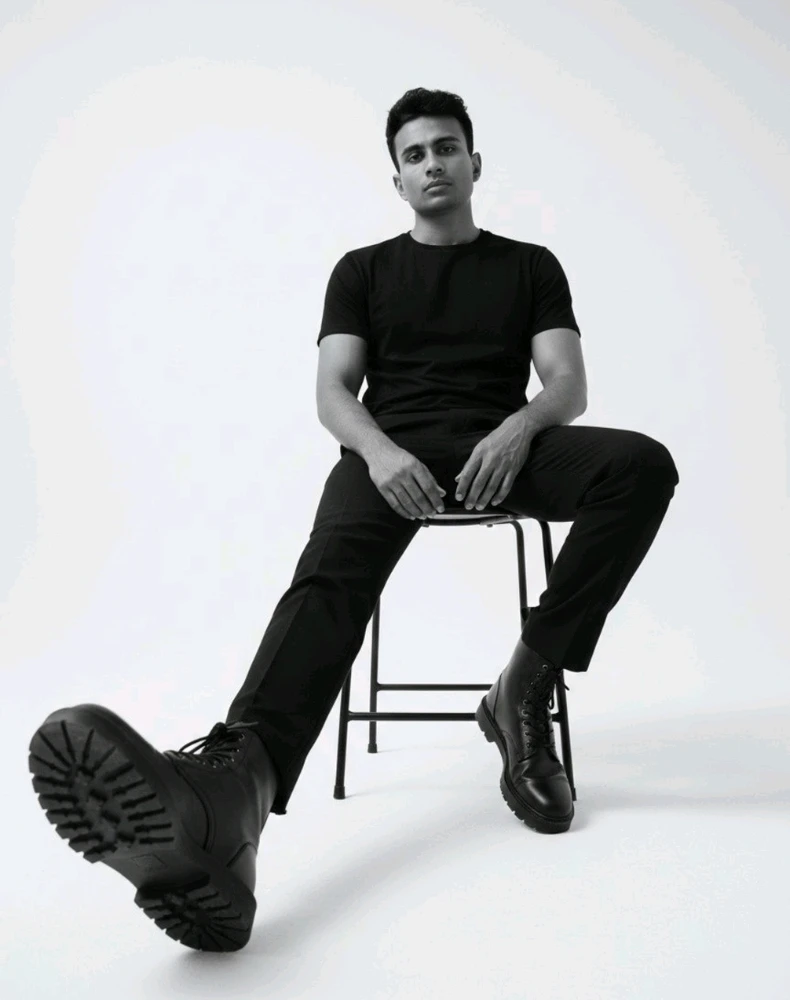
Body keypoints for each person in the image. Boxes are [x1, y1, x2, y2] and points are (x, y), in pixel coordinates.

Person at [27, 87, 680, 952]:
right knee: (328, 581)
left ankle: (523, 683)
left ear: (475, 163)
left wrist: (520, 428)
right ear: (397, 179)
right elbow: (334, 391)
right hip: (390, 454)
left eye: (446, 148)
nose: (433, 164)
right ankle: (232, 797)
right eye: (415, 155)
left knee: (640, 467)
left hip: (500, 452)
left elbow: (567, 383)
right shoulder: (362, 271)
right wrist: (379, 453)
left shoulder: (530, 266)